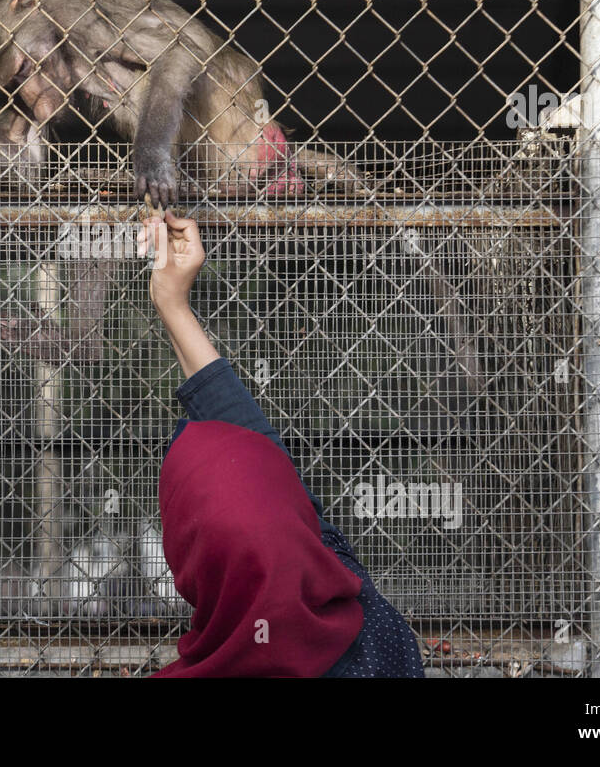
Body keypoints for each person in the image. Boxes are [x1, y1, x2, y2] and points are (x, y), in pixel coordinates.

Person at [138, 211, 424, 678]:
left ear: (193, 569)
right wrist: (173, 304)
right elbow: (268, 487)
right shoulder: (375, 636)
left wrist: (171, 303)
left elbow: (262, 488)